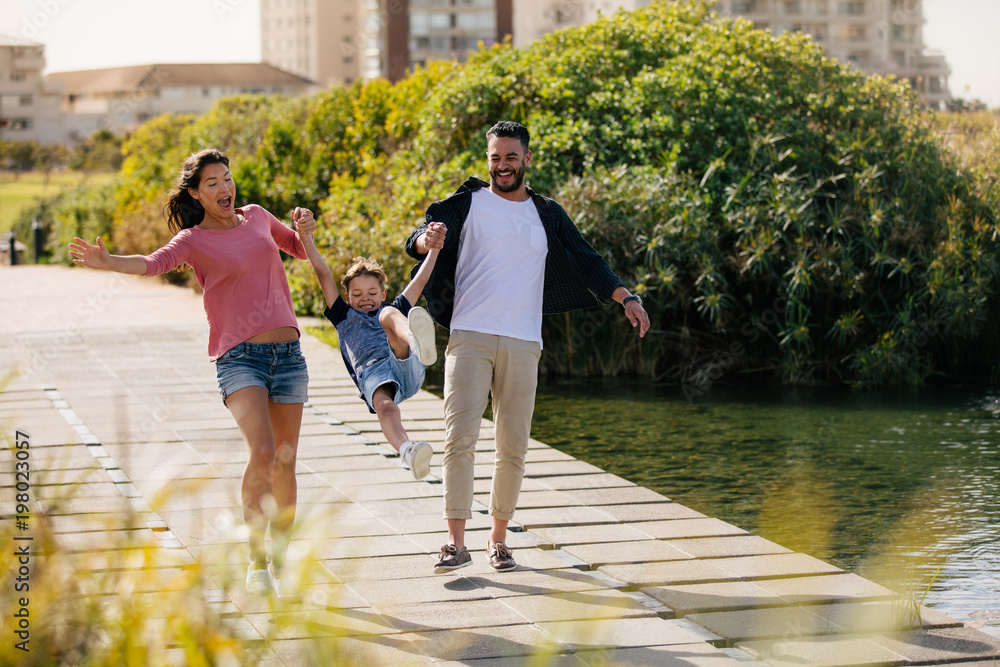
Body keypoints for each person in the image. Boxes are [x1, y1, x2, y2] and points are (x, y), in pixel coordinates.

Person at [406, 120, 651, 574]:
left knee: (512, 445)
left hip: (523, 340)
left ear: (527, 159)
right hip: (470, 334)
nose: (502, 165)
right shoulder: (468, 203)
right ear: (488, 160)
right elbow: (418, 238)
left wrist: (627, 298)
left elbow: (586, 259)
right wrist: (426, 240)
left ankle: (498, 540)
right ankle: (454, 542)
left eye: (511, 157)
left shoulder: (547, 213)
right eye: (495, 157)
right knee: (459, 438)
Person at [68, 148, 314, 598]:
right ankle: (257, 564)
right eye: (213, 183)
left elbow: (296, 248)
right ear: (197, 194)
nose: (225, 188)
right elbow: (151, 262)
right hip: (239, 358)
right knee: (261, 452)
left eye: (227, 178)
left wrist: (305, 227)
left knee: (284, 459)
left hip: (289, 355)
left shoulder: (257, 216)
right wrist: (110, 262)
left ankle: (282, 560)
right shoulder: (193, 240)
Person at [296, 221, 448, 478]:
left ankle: (416, 341)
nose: (365, 298)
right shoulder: (342, 315)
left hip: (404, 360)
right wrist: (306, 238)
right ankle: (408, 451)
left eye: (371, 292)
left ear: (382, 292)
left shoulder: (390, 306)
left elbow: (421, 278)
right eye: (357, 294)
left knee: (390, 313)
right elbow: (323, 272)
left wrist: (434, 248)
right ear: (347, 298)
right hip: (374, 375)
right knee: (387, 408)